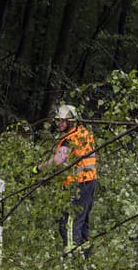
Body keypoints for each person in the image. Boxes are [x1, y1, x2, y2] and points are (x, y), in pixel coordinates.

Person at [38, 105, 98, 257]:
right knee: (83, 221)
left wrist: (39, 168)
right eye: (58, 121)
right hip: (90, 181)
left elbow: (58, 160)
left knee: (69, 222)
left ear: (71, 122)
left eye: (63, 121)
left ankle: (71, 259)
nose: (59, 124)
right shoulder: (84, 132)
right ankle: (86, 256)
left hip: (78, 184)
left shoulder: (69, 140)